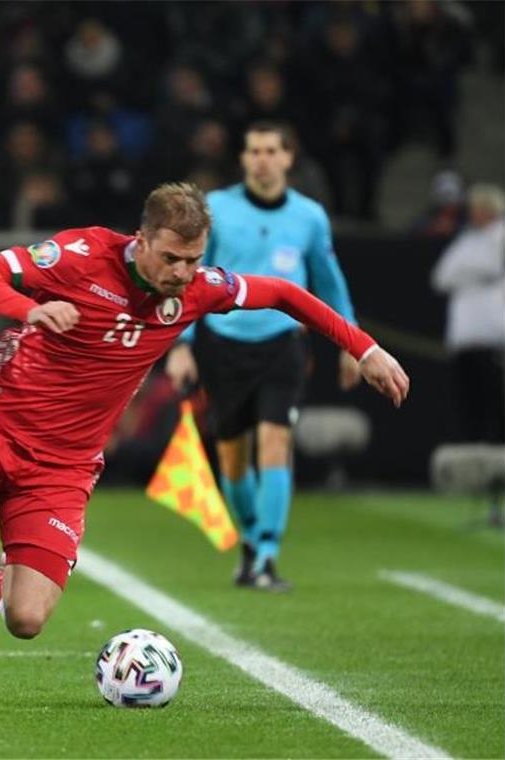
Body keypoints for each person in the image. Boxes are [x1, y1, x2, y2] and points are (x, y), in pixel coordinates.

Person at [0, 181, 409, 705]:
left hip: (63, 467)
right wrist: (31, 308)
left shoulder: (198, 290)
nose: (183, 272)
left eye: (194, 260)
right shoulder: (80, 256)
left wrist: (364, 348)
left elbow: (284, 293)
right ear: (141, 240)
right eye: (172, 258)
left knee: (26, 620)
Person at [165, 121, 362, 592]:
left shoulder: (310, 217)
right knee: (233, 457)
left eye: (272, 150)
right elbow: (190, 278)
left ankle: (267, 553)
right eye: (254, 151)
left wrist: (352, 343)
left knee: (275, 443)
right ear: (244, 158)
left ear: (289, 158)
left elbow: (328, 279)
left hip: (283, 343)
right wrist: (183, 345)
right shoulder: (217, 210)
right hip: (224, 342)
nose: (263, 159)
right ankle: (251, 542)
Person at [431, 183, 505, 443]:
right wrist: (471, 274)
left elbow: (493, 267)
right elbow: (441, 276)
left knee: (498, 402)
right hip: (464, 338)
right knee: (470, 403)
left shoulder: (503, 234)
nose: (473, 213)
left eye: (478, 208)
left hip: (494, 335)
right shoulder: (466, 239)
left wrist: (463, 274)